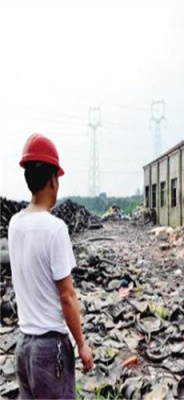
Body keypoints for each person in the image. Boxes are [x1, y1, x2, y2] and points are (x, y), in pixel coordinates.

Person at [8, 133, 93, 399]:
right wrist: (82, 344)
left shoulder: (14, 225)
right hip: (49, 349)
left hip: (23, 347)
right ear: (53, 180)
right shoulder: (55, 229)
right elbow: (67, 296)